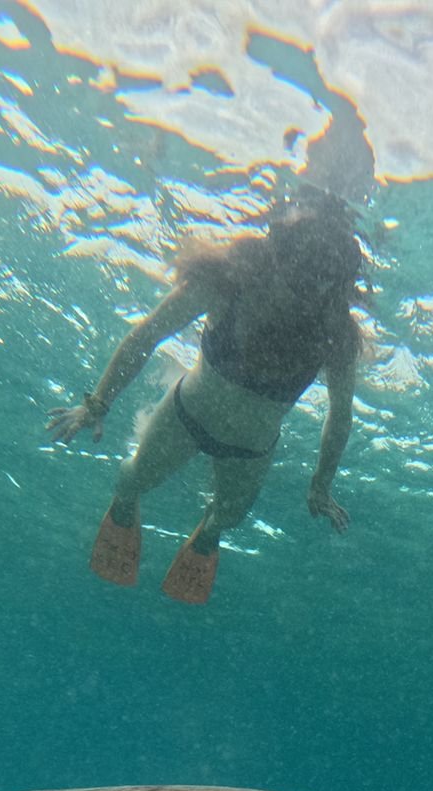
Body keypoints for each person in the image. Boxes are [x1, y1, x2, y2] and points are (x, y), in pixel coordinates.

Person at [46, 190, 366, 605]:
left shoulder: (336, 333)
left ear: (337, 283)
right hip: (187, 416)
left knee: (228, 518)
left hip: (249, 450)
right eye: (302, 268)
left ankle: (208, 535)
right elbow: (147, 335)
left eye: (322, 278)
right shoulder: (227, 282)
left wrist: (321, 485)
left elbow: (340, 416)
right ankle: (125, 504)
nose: (306, 289)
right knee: (133, 479)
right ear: (278, 253)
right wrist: (96, 404)